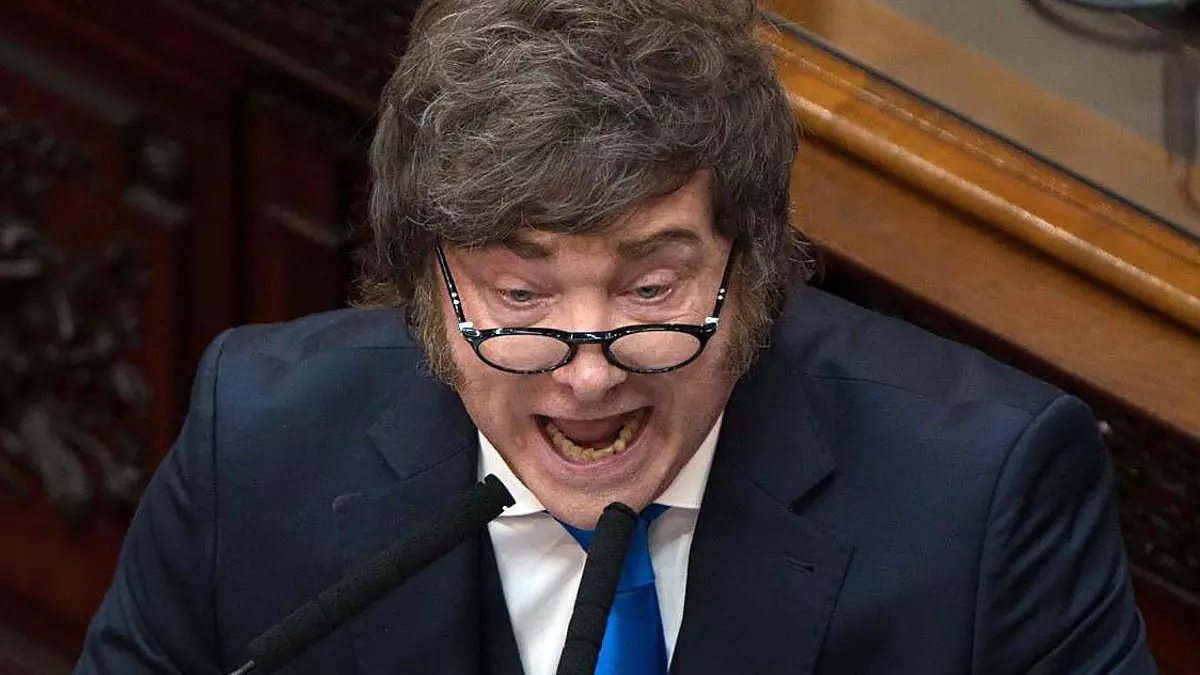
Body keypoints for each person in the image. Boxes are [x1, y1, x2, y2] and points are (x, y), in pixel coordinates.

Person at [74, 0, 1157, 673]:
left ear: (754, 268)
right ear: (423, 288)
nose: (588, 373)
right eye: (520, 294)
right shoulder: (259, 440)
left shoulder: (984, 492)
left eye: (651, 287)